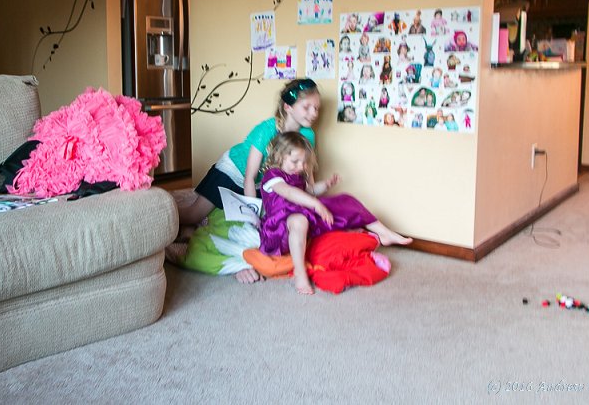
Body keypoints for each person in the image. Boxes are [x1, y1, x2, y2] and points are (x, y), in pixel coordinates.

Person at [176, 79, 321, 283]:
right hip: (236, 172)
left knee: (239, 221)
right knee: (193, 214)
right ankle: (166, 214)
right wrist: (252, 215)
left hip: (265, 182)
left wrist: (313, 203)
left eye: (316, 108)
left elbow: (306, 175)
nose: (314, 113)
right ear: (288, 107)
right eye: (307, 107)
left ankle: (193, 230)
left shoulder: (308, 135)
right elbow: (249, 177)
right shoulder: (266, 130)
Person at [258, 132, 412, 294]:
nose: (301, 167)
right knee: (299, 220)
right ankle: (300, 272)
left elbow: (310, 191)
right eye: (295, 162)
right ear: (279, 156)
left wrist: (326, 184)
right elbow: (289, 192)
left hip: (305, 217)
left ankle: (385, 233)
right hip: (279, 228)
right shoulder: (272, 175)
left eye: (303, 163)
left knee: (345, 201)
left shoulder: (297, 177)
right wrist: (316, 204)